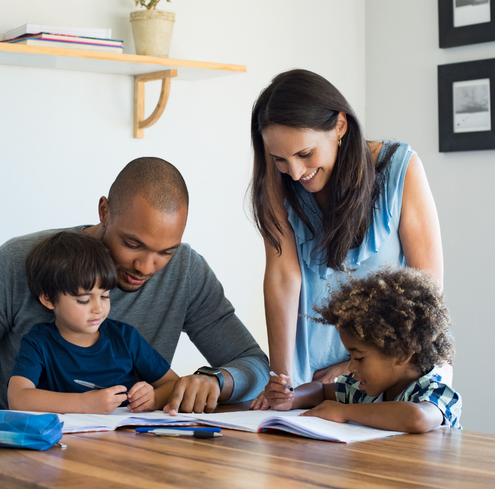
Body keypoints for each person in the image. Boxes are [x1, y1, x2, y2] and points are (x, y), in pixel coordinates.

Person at [0, 157, 269, 412]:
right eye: (132, 244)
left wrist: (216, 381)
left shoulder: (186, 271)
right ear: (104, 211)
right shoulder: (17, 260)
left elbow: (254, 365)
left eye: (166, 252)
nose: (145, 267)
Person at [249, 69, 446, 409]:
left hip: (389, 375)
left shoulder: (401, 169)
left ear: (340, 126)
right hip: (307, 380)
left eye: (305, 154)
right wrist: (280, 379)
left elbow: (427, 293)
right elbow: (283, 277)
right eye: (280, 159)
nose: (295, 172)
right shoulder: (278, 182)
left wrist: (353, 366)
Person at [265, 267, 462, 432]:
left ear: (403, 352)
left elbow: (416, 418)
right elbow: (320, 391)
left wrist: (343, 412)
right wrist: (291, 398)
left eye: (359, 358)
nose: (351, 367)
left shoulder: (435, 391)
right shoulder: (364, 390)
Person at [8, 231, 179, 414]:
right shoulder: (38, 342)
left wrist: (154, 398)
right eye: (84, 300)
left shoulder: (125, 337)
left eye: (105, 296)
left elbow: (174, 384)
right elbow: (18, 398)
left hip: (124, 438)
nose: (98, 308)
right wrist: (84, 404)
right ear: (49, 299)